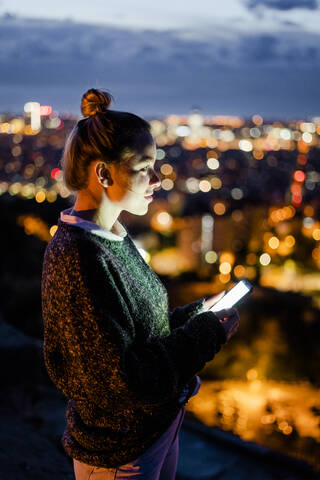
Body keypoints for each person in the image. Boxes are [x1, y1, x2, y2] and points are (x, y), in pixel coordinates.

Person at [41, 88, 240, 480]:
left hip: (153, 433)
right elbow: (123, 379)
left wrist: (198, 314)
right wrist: (205, 335)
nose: (156, 179)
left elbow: (138, 331)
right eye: (144, 167)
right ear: (104, 172)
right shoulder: (78, 258)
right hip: (120, 455)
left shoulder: (111, 236)